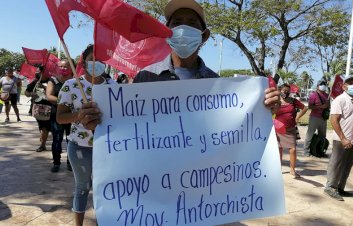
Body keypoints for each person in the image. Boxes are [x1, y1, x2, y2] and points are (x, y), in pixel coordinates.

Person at [78, 0, 280, 131]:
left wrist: (263, 108)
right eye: (177, 23)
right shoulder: (146, 77)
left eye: (192, 23)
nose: (184, 28)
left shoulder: (218, 85)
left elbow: (234, 131)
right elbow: (128, 128)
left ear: (205, 36)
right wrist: (97, 122)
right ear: (166, 33)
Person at [56, 44, 115, 226]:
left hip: (107, 148)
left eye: (102, 60)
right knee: (82, 188)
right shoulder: (71, 86)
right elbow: (60, 118)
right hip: (80, 148)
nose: (97, 63)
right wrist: (78, 116)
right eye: (92, 59)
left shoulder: (114, 87)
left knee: (104, 189)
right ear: (84, 61)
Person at [324, 76, 353, 201]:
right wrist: (343, 138)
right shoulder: (339, 100)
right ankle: (330, 187)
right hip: (341, 139)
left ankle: (340, 187)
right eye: (351, 83)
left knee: (347, 165)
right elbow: (334, 120)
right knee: (336, 164)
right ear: (344, 86)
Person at [274, 84, 308, 178]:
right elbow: (270, 111)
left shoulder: (293, 101)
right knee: (279, 148)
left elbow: (305, 108)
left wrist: (297, 117)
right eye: (284, 90)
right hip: (278, 128)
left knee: (293, 149)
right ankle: (278, 168)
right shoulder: (276, 101)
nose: (286, 92)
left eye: (288, 91)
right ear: (280, 90)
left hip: (291, 129)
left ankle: (292, 170)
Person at [46, 59, 73, 173]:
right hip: (57, 115)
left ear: (72, 68)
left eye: (66, 66)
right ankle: (56, 163)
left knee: (71, 140)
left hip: (73, 116)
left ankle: (70, 163)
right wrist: (65, 103)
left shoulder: (76, 81)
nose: (63, 68)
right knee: (57, 140)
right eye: (61, 66)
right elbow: (49, 96)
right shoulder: (53, 80)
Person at [25, 67, 52, 152]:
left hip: (50, 107)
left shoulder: (52, 81)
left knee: (48, 127)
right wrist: (31, 94)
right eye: (41, 71)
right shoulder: (35, 81)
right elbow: (26, 92)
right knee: (42, 127)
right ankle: (43, 144)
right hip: (38, 108)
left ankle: (49, 145)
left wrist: (44, 88)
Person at [303, 79, 330, 156]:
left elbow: (328, 106)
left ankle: (320, 151)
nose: (323, 85)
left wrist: (328, 105)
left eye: (324, 84)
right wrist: (321, 106)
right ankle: (306, 151)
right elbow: (310, 106)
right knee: (310, 135)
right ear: (318, 86)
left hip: (323, 118)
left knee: (322, 136)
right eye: (321, 84)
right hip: (314, 117)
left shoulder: (327, 95)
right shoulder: (313, 95)